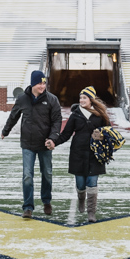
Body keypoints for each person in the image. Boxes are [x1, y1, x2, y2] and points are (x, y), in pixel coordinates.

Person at [1, 70, 62, 219]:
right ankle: (28, 207)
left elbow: (57, 121)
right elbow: (13, 116)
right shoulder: (22, 99)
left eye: (44, 83)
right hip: (27, 144)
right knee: (27, 176)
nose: (42, 86)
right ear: (32, 83)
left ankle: (46, 201)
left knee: (47, 173)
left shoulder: (52, 99)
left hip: (45, 144)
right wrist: (5, 131)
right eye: (39, 83)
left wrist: (53, 138)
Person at [48, 85, 110, 222]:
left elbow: (109, 133)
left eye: (84, 98)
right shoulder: (75, 114)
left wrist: (101, 136)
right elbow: (66, 134)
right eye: (80, 98)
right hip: (78, 154)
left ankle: (91, 212)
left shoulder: (101, 115)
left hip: (95, 155)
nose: (81, 100)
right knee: (81, 184)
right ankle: (81, 200)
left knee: (92, 183)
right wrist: (54, 142)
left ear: (91, 99)